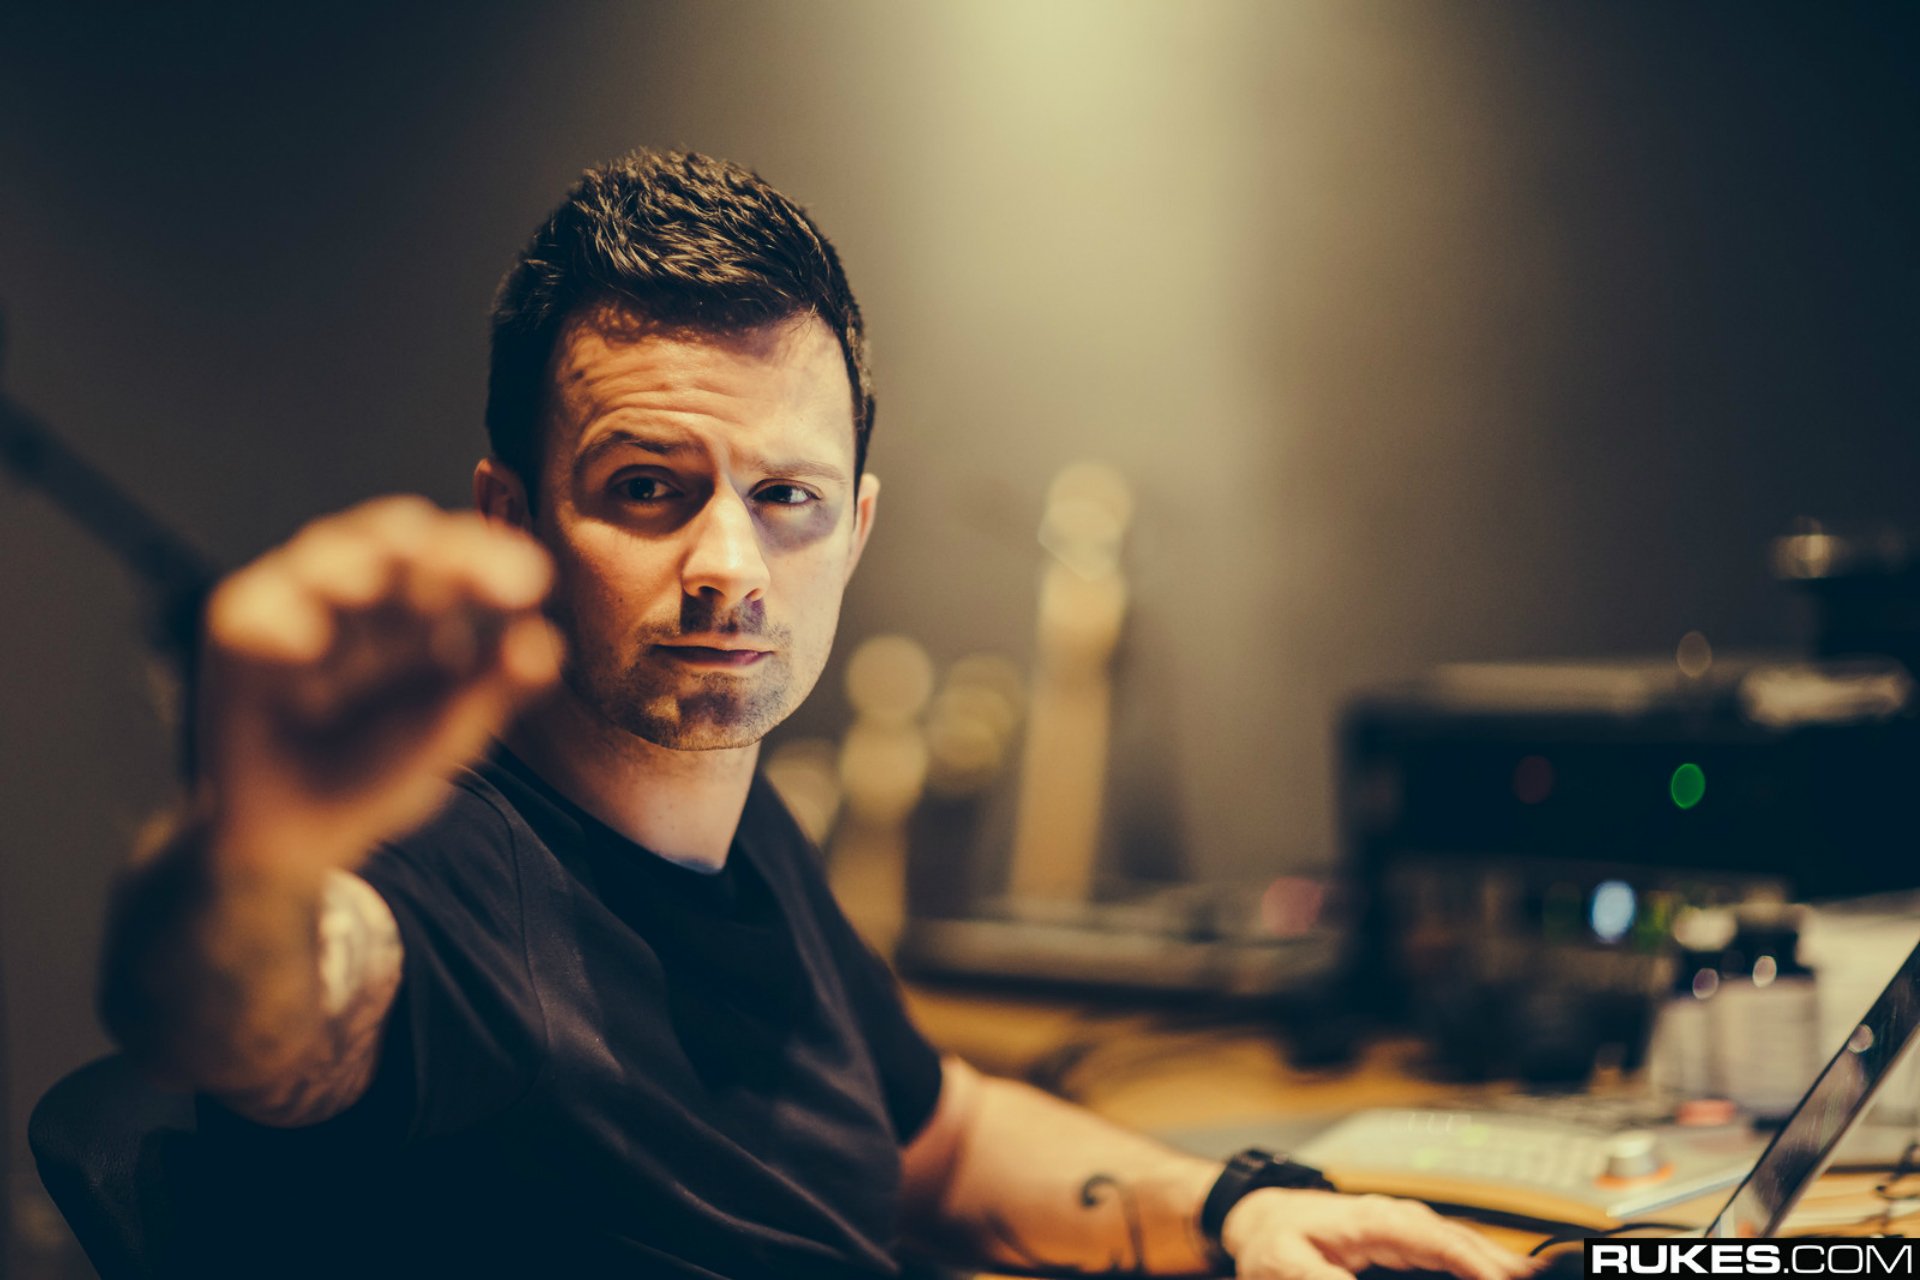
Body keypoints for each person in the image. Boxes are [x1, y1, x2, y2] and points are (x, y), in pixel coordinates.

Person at [98, 148, 1535, 1280]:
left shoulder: (731, 827)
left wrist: (1242, 1209)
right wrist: (257, 846)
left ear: (854, 532)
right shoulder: (435, 871)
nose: (728, 565)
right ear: (512, 517)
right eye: (648, 487)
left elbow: (942, 1138)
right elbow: (245, 1027)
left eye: (785, 497)